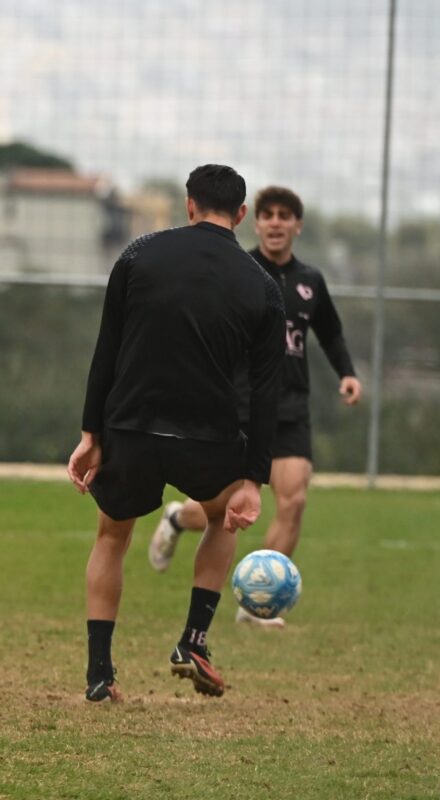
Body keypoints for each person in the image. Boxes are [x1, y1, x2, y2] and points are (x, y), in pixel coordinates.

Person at [66, 165, 285, 701]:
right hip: (207, 439)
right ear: (240, 216)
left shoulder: (138, 255)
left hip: (130, 426)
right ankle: (193, 639)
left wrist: (91, 433)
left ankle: (100, 674)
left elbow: (106, 351)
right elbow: (266, 395)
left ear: (189, 205)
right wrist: (253, 480)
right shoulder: (261, 286)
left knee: (112, 536)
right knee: (223, 519)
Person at [148, 186, 361, 628]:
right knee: (222, 507)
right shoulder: (238, 270)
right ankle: (176, 518)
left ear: (297, 225)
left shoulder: (310, 282)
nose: (277, 222)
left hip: (291, 407)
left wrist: (347, 373)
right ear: (255, 221)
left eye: (286, 215)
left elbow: (331, 333)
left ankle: (258, 602)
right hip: (239, 406)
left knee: (293, 500)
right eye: (268, 215)